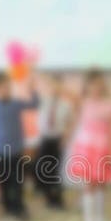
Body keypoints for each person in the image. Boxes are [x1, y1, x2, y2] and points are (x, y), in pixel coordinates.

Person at [66, 69, 111, 221]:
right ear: (87, 86)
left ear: (103, 85)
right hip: (86, 148)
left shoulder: (110, 105)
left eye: (99, 84)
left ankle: (99, 217)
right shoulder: (83, 103)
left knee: (100, 185)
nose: (96, 87)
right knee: (89, 185)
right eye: (92, 84)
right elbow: (62, 91)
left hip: (102, 149)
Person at [0, 71, 39, 221]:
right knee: (3, 181)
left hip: (16, 149)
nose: (6, 89)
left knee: (17, 180)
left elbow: (34, 105)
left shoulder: (16, 103)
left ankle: (19, 207)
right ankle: (8, 206)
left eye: (7, 86)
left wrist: (32, 90)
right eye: (2, 87)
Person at [34, 74, 72, 209]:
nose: (55, 88)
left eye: (57, 86)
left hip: (58, 139)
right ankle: (48, 196)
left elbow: (69, 123)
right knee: (43, 168)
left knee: (55, 170)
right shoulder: (42, 101)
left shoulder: (66, 105)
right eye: (52, 86)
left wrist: (65, 138)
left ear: (61, 87)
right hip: (45, 139)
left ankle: (57, 199)